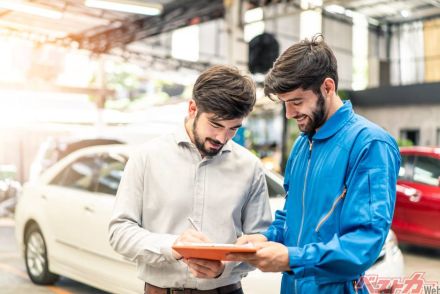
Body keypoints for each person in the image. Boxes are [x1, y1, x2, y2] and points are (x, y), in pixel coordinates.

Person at [227, 35, 400, 293]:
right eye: (285, 104)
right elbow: (291, 216)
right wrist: (266, 238)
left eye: (296, 102)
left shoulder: (370, 145)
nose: (289, 114)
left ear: (328, 88)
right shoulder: (303, 144)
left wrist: (292, 258)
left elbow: (364, 243)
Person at [109, 65, 272, 294]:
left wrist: (224, 267)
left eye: (233, 129)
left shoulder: (250, 167)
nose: (222, 137)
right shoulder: (147, 158)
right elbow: (119, 232)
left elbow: (261, 241)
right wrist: (172, 246)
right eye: (215, 124)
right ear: (192, 108)